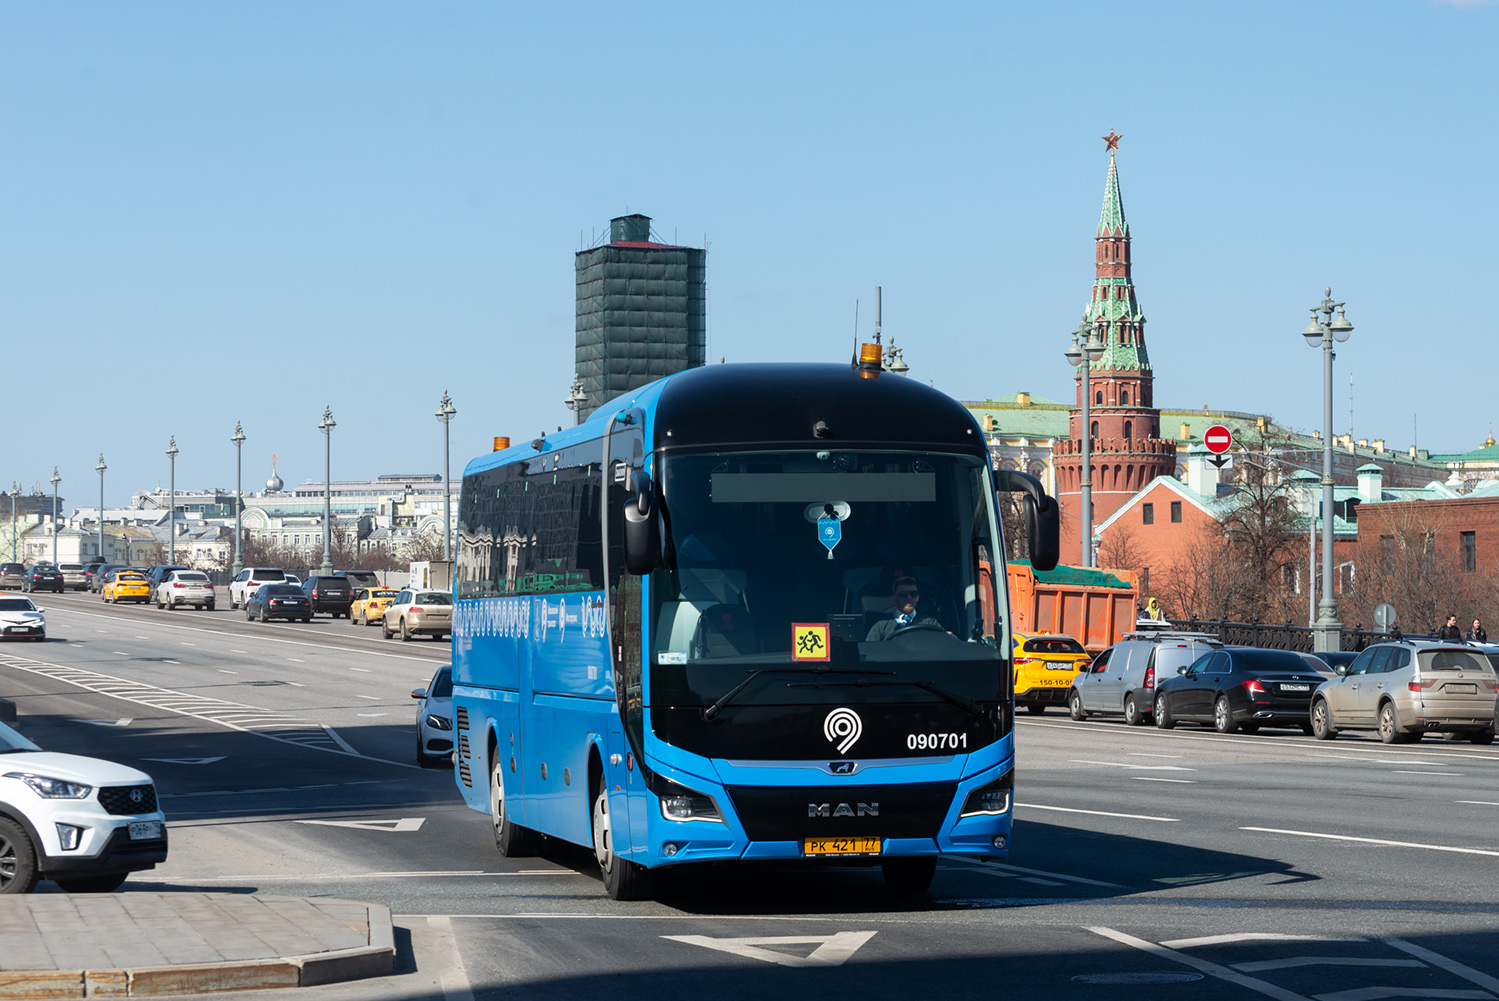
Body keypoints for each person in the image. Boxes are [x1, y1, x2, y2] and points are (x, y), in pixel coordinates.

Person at [866, 576, 941, 641]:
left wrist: (948, 637)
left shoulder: (931, 623)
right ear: (894, 598)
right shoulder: (881, 626)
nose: (909, 597)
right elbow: (868, 652)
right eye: (903, 594)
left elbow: (945, 646)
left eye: (913, 594)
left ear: (917, 597)